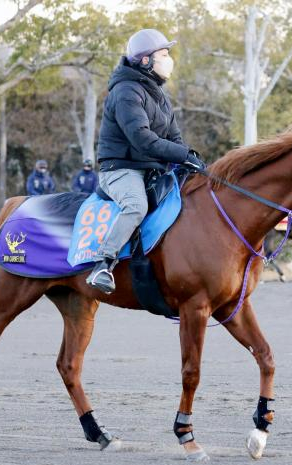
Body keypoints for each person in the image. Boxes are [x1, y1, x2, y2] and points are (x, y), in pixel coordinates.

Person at [86, 28, 205, 294]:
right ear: (145, 60)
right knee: (136, 206)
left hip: (150, 169)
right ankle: (103, 263)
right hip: (120, 169)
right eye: (163, 54)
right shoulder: (126, 92)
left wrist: (191, 159)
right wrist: (181, 155)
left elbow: (174, 138)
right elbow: (143, 139)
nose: (169, 59)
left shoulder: (160, 95)